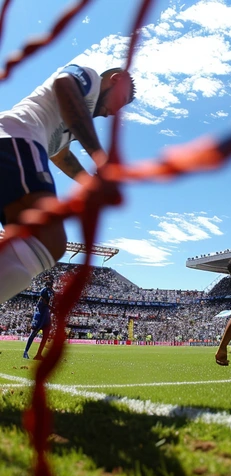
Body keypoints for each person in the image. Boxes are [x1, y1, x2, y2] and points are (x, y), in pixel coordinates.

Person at [0, 64, 135, 304]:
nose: (113, 112)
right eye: (120, 102)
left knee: (27, 241)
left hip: (14, 145)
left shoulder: (65, 125)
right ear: (115, 80)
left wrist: (90, 183)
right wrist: (102, 160)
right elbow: (64, 84)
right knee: (47, 240)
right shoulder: (89, 79)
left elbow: (60, 155)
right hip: (15, 139)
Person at [23, 279, 55, 360]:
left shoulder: (52, 292)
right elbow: (43, 304)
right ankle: (25, 351)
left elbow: (51, 303)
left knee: (45, 336)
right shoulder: (44, 292)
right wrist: (50, 307)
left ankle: (38, 354)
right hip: (41, 317)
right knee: (33, 333)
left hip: (47, 317)